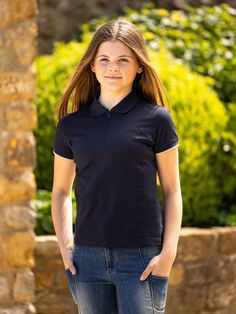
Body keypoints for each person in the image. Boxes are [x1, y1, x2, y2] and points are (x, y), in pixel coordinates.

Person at [51, 17, 182, 314]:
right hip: (87, 260)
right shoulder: (71, 126)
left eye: (124, 60)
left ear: (139, 66)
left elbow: (173, 190)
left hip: (141, 258)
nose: (113, 67)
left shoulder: (157, 119)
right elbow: (60, 191)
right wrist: (66, 247)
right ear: (92, 66)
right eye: (105, 59)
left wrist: (168, 253)